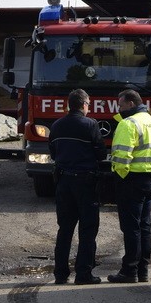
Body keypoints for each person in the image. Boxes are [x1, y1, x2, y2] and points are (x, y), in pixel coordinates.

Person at [49, 88, 106, 285]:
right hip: (85, 182)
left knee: (64, 229)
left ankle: (60, 273)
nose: (89, 107)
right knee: (88, 229)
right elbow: (101, 153)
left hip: (63, 181)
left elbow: (53, 152)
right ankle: (83, 273)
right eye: (88, 104)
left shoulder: (56, 125)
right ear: (83, 105)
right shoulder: (90, 124)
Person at [107, 89, 151, 284]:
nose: (119, 109)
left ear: (130, 103)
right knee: (144, 227)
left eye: (121, 105)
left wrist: (119, 177)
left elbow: (122, 156)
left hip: (132, 180)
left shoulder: (128, 123)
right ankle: (143, 270)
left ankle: (129, 271)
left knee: (131, 228)